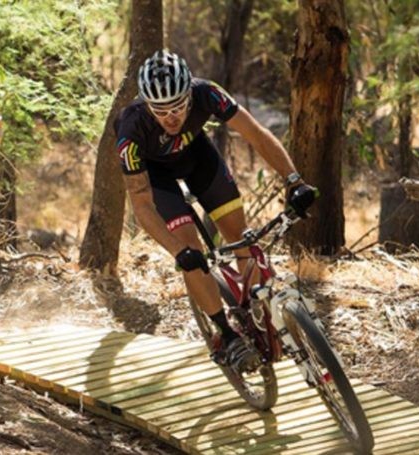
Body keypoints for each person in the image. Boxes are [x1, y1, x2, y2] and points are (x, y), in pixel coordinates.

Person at [115, 50, 316, 373]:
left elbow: (255, 134)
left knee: (242, 238)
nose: (170, 117)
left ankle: (255, 310)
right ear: (146, 104)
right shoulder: (131, 129)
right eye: (160, 110)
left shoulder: (206, 92)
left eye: (178, 106)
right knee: (191, 252)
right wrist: (178, 251)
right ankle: (225, 335)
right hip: (158, 178)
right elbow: (141, 202)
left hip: (197, 159)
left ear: (189, 95)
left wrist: (294, 181)